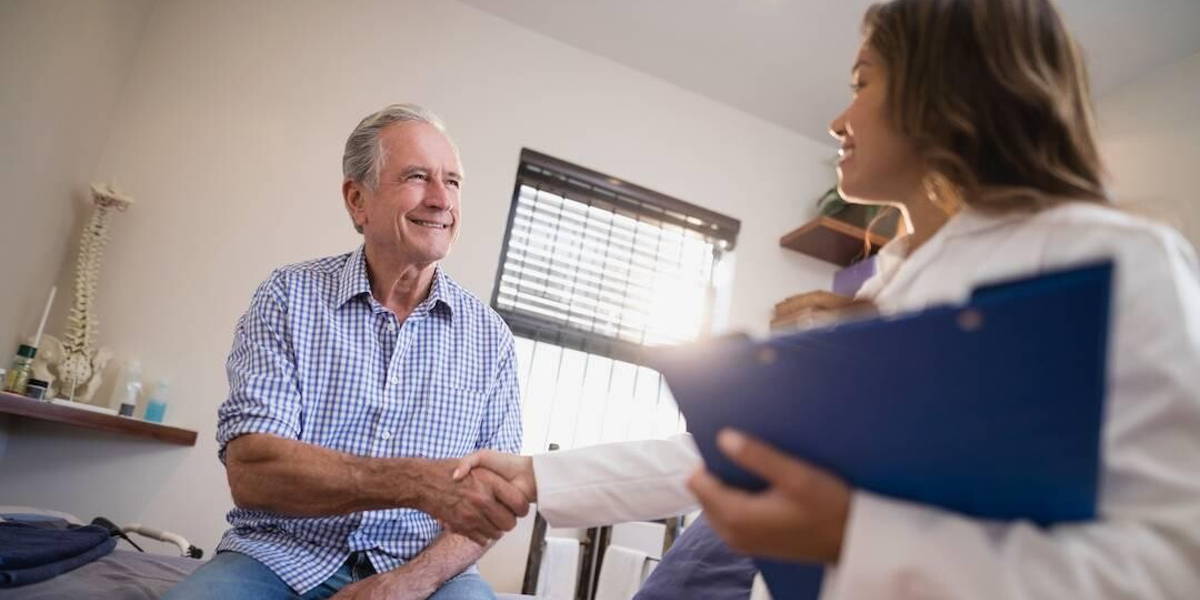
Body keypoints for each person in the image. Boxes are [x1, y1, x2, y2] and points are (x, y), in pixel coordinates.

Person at [452, 1, 1200, 597]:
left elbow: (1174, 568)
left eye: (861, 81)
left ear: (949, 86)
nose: (839, 120)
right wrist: (539, 475)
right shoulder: (893, 283)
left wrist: (854, 537)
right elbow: (744, 452)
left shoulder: (1111, 257)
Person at [166, 104, 528, 600]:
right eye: (418, 177)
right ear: (358, 199)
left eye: (454, 181)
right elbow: (253, 472)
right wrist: (418, 482)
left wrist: (407, 583)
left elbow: (491, 507)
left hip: (427, 575)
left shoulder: (491, 339)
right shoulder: (288, 296)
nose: (442, 199)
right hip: (281, 556)